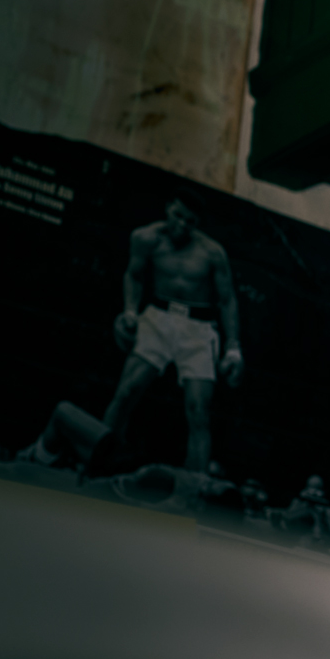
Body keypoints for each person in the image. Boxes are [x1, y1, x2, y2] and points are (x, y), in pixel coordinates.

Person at [103, 196, 243, 473]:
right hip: (158, 315)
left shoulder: (212, 252)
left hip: (198, 327)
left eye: (189, 221)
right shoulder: (145, 238)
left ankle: (192, 490)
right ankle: (95, 463)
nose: (182, 225)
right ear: (168, 208)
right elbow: (134, 275)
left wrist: (233, 347)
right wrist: (130, 310)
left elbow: (227, 299)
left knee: (198, 410)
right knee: (126, 392)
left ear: (197, 224)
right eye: (178, 216)